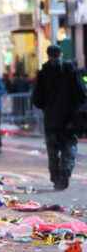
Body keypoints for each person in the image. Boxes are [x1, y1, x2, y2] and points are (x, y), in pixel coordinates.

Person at [32, 45, 87, 190]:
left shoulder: (43, 73)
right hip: (69, 120)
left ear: (47, 55)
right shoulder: (71, 71)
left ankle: (55, 176)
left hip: (51, 119)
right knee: (69, 148)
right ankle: (64, 175)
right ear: (61, 54)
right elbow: (82, 94)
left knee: (52, 150)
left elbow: (36, 99)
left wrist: (47, 107)